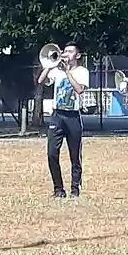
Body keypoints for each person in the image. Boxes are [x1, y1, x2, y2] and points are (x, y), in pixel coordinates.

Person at [37, 43, 89, 198]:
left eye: (70, 51)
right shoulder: (56, 71)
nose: (66, 54)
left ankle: (75, 189)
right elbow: (41, 80)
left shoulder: (82, 71)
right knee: (52, 153)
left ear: (77, 56)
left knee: (75, 155)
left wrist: (67, 72)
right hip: (57, 115)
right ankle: (58, 189)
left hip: (73, 116)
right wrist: (49, 64)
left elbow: (79, 89)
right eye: (64, 51)